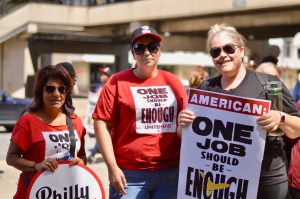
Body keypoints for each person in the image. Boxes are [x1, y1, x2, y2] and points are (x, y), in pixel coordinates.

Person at [177, 23, 300, 199]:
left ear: (241, 51)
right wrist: (183, 123)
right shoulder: (205, 89)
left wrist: (280, 118)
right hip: (223, 182)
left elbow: (297, 131)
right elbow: (185, 137)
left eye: (228, 49)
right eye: (215, 52)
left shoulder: (269, 84)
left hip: (266, 181)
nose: (223, 55)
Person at [92, 25, 187, 198]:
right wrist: (112, 167)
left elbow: (185, 125)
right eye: (140, 48)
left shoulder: (173, 82)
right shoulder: (117, 81)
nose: (147, 53)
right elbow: (101, 123)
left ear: (159, 51)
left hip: (171, 173)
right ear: (133, 53)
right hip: (129, 175)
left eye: (152, 47)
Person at [6, 65, 87, 199]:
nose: (56, 94)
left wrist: (81, 163)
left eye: (62, 89)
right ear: (40, 91)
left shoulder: (75, 121)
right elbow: (11, 158)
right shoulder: (27, 121)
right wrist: (36, 166)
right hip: (33, 192)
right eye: (50, 89)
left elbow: (82, 156)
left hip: (68, 192)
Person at [87, 66, 112, 164]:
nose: (101, 76)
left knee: (102, 136)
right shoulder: (100, 87)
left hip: (107, 118)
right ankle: (94, 154)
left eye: (104, 74)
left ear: (108, 76)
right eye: (101, 74)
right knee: (100, 136)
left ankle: (93, 155)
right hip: (100, 117)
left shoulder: (110, 87)